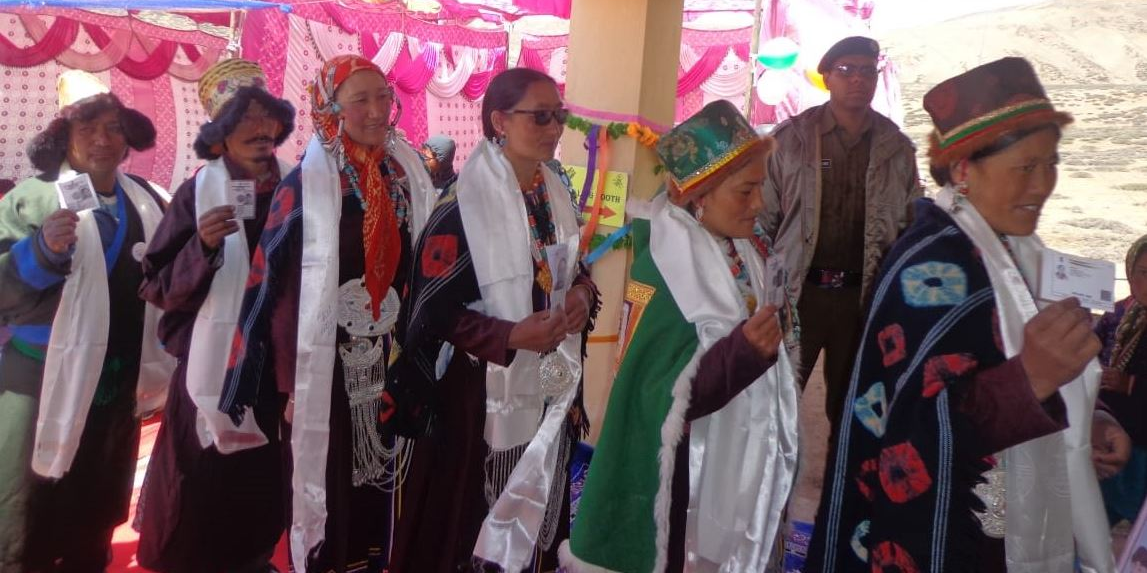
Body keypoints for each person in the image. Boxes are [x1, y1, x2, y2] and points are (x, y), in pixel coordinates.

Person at [806, 57, 1122, 572]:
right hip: (945, 540)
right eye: (1025, 167)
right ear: (962, 169)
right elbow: (908, 431)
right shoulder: (929, 268)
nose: (1043, 186)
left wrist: (1093, 419)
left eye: (1051, 164)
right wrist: (1029, 380)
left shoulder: (1023, 254)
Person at [560, 100, 798, 572]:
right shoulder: (667, 267)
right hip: (686, 477)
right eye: (747, 191)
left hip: (732, 462)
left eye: (761, 188)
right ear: (699, 195)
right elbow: (656, 399)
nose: (761, 204)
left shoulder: (739, 247)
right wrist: (746, 352)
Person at [219, 54, 435, 573]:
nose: (376, 109)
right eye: (359, 99)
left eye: (383, 96)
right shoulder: (305, 186)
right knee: (331, 474)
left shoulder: (405, 177)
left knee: (387, 472)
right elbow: (270, 285)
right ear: (329, 108)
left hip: (392, 349)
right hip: (325, 363)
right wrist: (290, 383)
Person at [387, 67, 599, 573]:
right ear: (500, 120)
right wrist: (507, 335)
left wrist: (582, 296)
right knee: (467, 517)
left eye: (560, 116)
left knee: (544, 495)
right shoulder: (462, 203)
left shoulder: (554, 191)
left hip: (551, 378)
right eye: (541, 116)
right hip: (477, 399)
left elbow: (575, 267)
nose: (554, 128)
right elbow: (430, 309)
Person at [0, 70, 174, 572]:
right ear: (64, 137)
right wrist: (40, 252)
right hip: (37, 383)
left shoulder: (149, 200)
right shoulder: (31, 199)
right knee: (26, 509)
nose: (103, 139)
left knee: (95, 508)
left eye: (114, 127)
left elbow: (168, 275)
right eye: (88, 127)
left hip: (114, 385)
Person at [135, 59, 296, 573]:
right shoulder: (196, 194)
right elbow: (157, 285)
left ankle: (252, 558)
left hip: (275, 373)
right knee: (198, 481)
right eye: (238, 120)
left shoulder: (299, 189)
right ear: (218, 136)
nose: (255, 129)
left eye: (261, 116)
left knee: (262, 480)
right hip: (211, 367)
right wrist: (201, 247)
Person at [760, 36, 922, 438]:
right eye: (846, 71)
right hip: (799, 296)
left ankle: (841, 496)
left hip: (863, 301)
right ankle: (771, 498)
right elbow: (762, 220)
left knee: (856, 414)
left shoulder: (896, 148)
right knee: (776, 402)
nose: (858, 80)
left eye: (867, 71)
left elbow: (911, 226)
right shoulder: (791, 139)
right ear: (827, 78)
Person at [1093, 235, 1147, 526]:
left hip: (1143, 445)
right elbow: (1090, 352)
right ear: (1129, 274)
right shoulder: (1117, 314)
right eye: (1145, 273)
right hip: (1111, 433)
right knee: (1098, 520)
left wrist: (1129, 384)